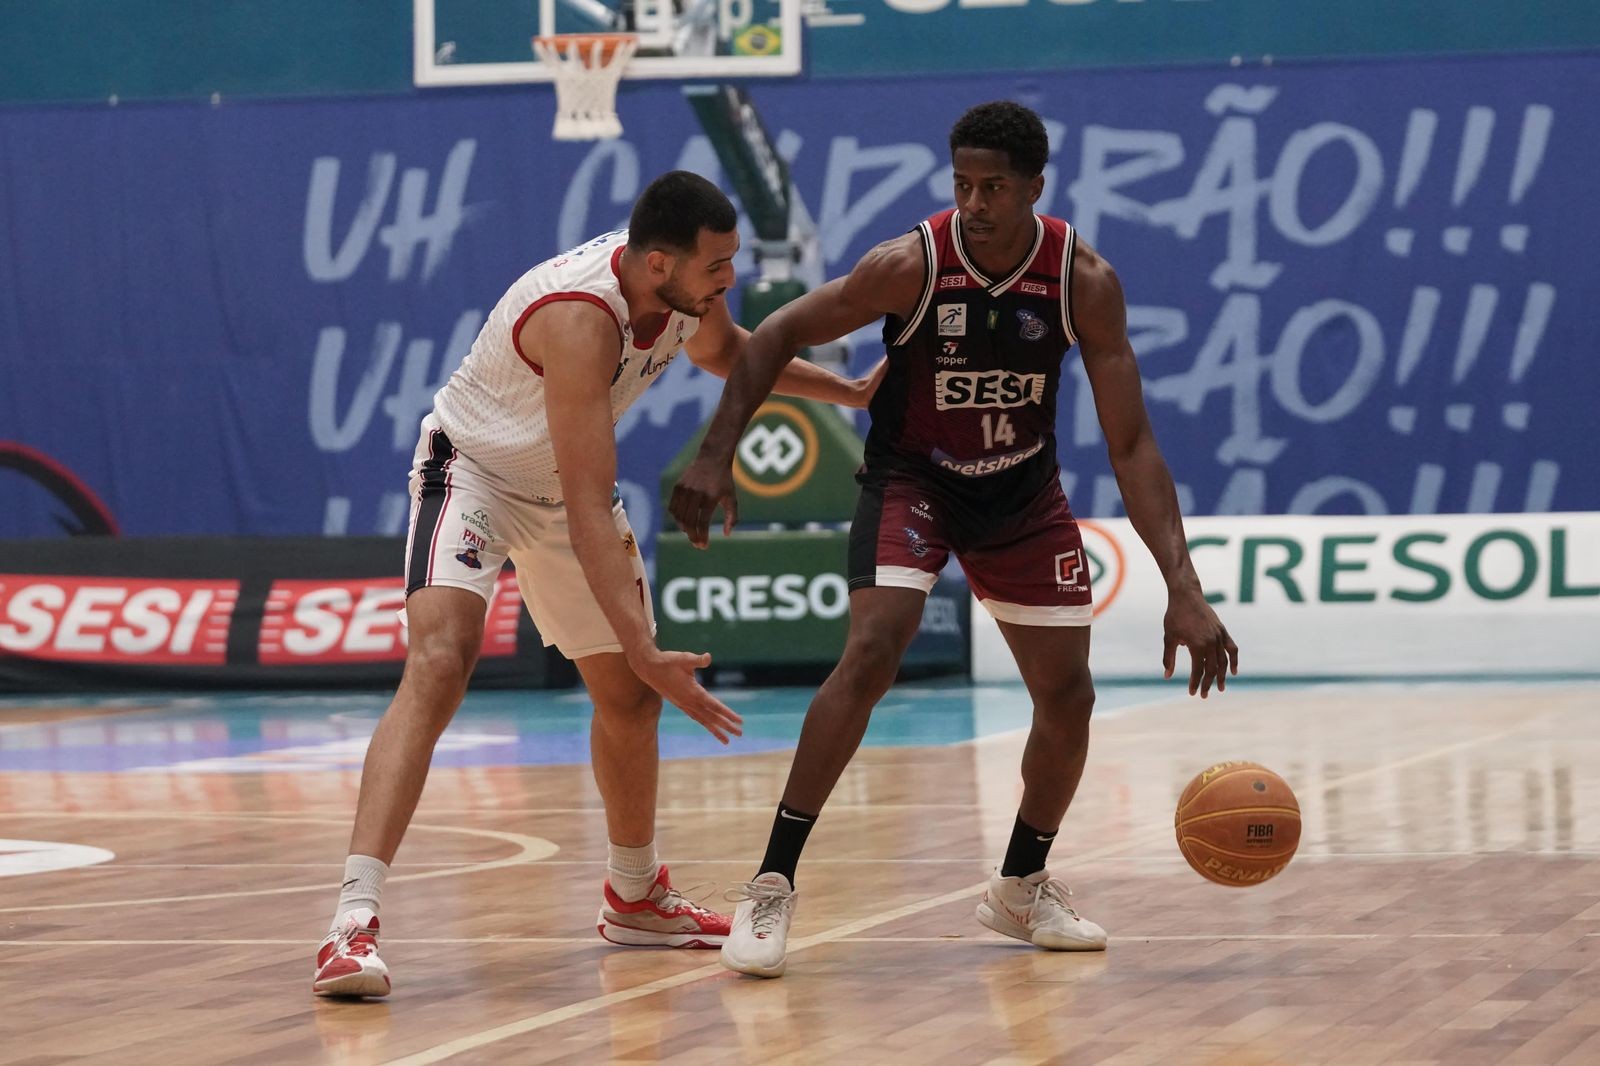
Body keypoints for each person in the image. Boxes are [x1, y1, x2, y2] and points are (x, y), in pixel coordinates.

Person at [669, 102, 1238, 978]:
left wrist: (1183, 584)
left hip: (1020, 491)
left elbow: (1131, 443)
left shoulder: (1082, 279)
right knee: (872, 651)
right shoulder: (911, 265)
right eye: (963, 185)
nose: (974, 203)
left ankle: (1019, 885)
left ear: (1035, 189)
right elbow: (776, 331)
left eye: (994, 188)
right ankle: (771, 883)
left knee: (1070, 697)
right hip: (914, 479)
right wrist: (716, 454)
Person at [312, 170, 881, 998]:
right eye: (716, 265)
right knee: (440, 664)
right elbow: (587, 503)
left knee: (629, 698)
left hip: (560, 490)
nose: (729, 278)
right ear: (658, 263)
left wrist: (850, 391)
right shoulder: (578, 319)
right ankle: (349, 927)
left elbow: (726, 353)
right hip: (474, 474)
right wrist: (645, 644)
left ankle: (635, 895)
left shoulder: (686, 291)